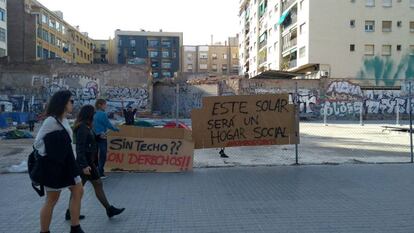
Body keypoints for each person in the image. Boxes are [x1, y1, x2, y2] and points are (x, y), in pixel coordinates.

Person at [34, 90, 85, 233]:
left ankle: (75, 227)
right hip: (54, 166)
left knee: (78, 190)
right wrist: (53, 154)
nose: (72, 104)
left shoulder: (63, 120)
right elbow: (38, 144)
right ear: (63, 103)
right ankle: (44, 231)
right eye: (71, 101)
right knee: (52, 199)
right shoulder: (51, 121)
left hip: (68, 163)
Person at [64, 105, 125, 221]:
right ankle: (109, 209)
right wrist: (84, 165)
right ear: (89, 114)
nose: (95, 115)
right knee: (95, 184)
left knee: (79, 188)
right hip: (86, 163)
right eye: (93, 113)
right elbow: (80, 148)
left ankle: (70, 212)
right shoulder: (82, 128)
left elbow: (88, 142)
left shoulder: (86, 127)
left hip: (87, 162)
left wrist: (97, 136)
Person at [94, 99, 119, 178]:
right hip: (102, 136)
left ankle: (94, 172)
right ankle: (100, 172)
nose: (106, 106)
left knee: (94, 154)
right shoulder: (102, 114)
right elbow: (108, 124)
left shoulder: (93, 113)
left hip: (94, 136)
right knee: (102, 155)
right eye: (105, 104)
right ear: (100, 105)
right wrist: (116, 129)